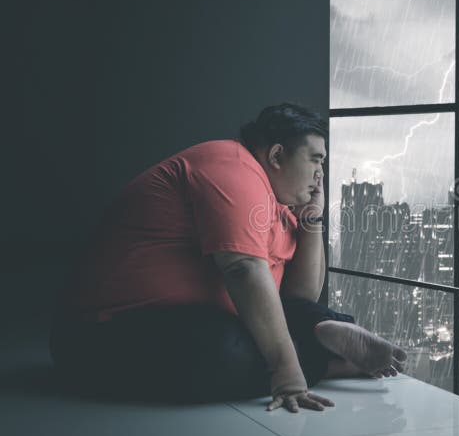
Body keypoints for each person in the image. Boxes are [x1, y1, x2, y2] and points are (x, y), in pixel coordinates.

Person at [49, 103, 407, 413]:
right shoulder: (232, 167)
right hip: (102, 333)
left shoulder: (280, 207)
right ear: (277, 155)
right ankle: (326, 362)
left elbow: (300, 297)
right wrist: (288, 373)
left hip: (199, 317)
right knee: (220, 353)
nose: (320, 174)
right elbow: (243, 269)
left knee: (296, 316)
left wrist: (312, 220)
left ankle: (321, 338)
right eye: (315, 159)